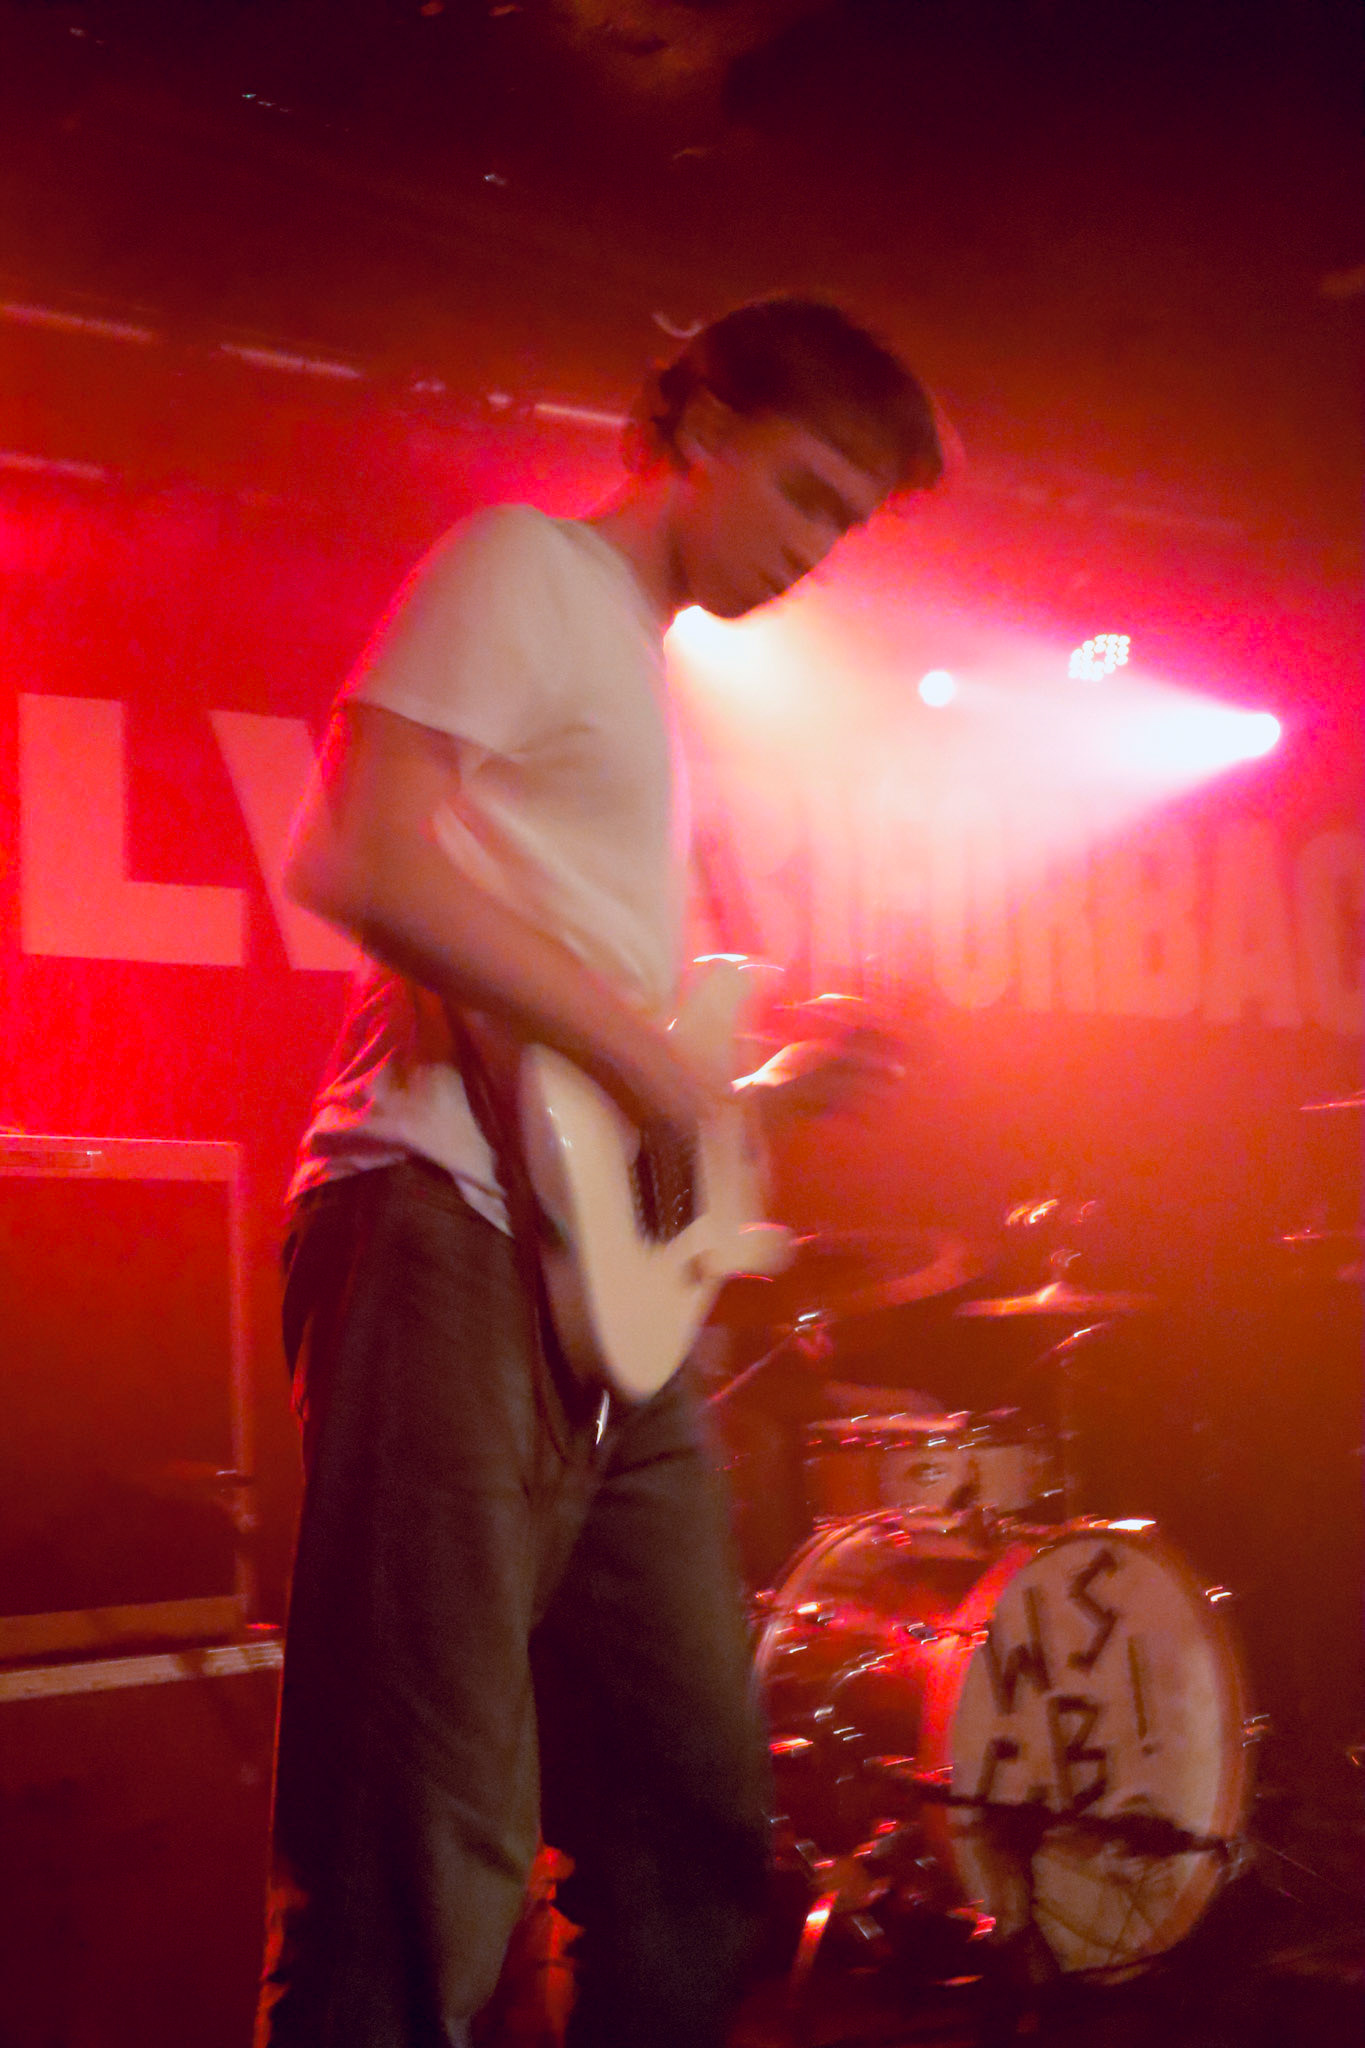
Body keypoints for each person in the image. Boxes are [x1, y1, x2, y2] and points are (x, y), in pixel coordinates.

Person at [255, 297, 944, 2048]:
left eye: (846, 524)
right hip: (443, 1228)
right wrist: (652, 1059)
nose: (815, 549)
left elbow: (593, 1054)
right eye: (801, 493)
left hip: (592, 1302)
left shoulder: (643, 674)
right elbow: (358, 851)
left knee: (694, 1826)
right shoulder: (526, 569)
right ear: (696, 426)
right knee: (419, 1848)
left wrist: (756, 1090)